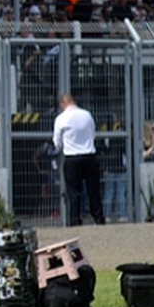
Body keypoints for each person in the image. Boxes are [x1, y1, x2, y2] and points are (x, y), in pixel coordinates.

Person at [53, 94, 104, 226]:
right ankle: (98, 218)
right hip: (89, 155)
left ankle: (75, 220)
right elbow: (93, 134)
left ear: (62, 104)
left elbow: (57, 142)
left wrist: (61, 148)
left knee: (74, 192)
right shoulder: (87, 115)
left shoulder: (61, 118)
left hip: (72, 157)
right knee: (93, 189)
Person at [32, 139, 60, 219]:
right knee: (48, 193)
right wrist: (40, 170)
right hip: (48, 173)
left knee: (58, 192)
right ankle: (48, 212)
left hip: (58, 173)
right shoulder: (45, 147)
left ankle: (56, 212)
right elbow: (34, 157)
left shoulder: (61, 145)